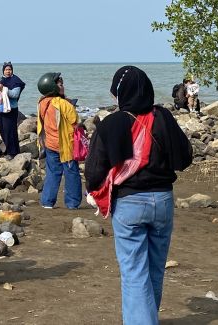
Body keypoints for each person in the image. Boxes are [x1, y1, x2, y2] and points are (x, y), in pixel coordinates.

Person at [84, 66, 193, 325]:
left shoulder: (112, 123)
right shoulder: (163, 117)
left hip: (129, 203)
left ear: (121, 94)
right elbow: (185, 157)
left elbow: (94, 168)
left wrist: (94, 192)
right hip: (163, 201)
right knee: (154, 270)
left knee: (134, 272)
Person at [36, 72, 81, 209]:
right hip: (66, 145)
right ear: (53, 87)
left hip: (49, 143)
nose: (63, 87)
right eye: (60, 84)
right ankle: (72, 203)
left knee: (52, 173)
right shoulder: (64, 104)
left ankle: (47, 201)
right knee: (71, 173)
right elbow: (75, 122)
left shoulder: (42, 102)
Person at [0, 62, 26, 159]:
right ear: (3, 70)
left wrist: (4, 89)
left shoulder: (16, 80)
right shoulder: (0, 80)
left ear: (12, 70)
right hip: (1, 109)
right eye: (6, 69)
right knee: (2, 130)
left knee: (10, 131)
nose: (8, 71)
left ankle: (12, 152)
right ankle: (10, 149)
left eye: (9, 69)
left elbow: (15, 95)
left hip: (11, 109)